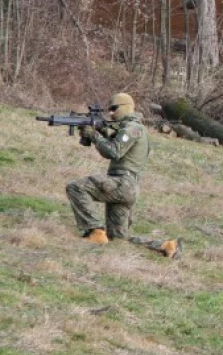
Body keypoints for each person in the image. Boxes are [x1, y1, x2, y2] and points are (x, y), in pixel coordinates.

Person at [67, 93, 181, 259]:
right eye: (109, 109)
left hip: (121, 183)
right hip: (127, 187)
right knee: (118, 239)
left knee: (75, 187)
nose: (111, 113)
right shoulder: (131, 129)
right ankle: (166, 246)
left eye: (114, 109)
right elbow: (115, 140)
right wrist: (100, 131)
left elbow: (114, 151)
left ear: (126, 107)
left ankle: (94, 231)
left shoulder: (132, 128)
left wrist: (94, 135)